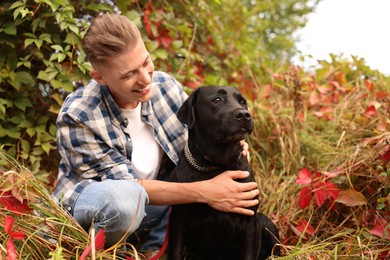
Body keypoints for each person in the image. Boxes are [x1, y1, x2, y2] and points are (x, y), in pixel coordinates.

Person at [52, 13, 259, 258]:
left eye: (145, 62)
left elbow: (197, 140)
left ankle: (153, 247)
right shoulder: (79, 114)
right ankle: (110, 251)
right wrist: (207, 191)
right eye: (128, 74)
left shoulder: (166, 87)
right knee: (125, 202)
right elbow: (130, 188)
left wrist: (233, 141)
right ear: (99, 77)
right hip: (101, 209)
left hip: (155, 207)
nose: (145, 78)